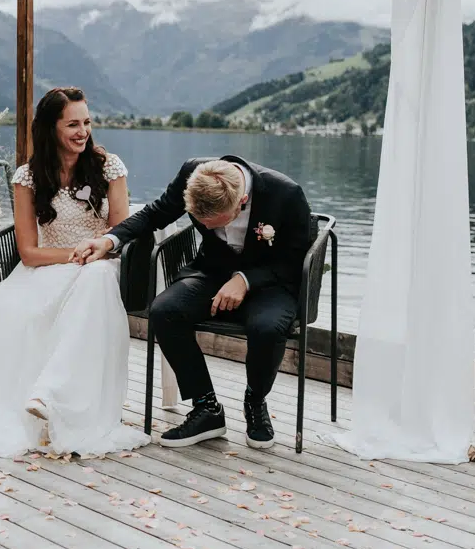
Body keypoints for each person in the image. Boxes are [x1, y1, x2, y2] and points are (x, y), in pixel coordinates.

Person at [0, 87, 150, 459]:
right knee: (7, 308)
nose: (83, 131)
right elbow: (29, 253)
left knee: (96, 280)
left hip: (101, 265)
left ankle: (50, 394)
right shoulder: (28, 177)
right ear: (50, 129)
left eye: (86, 122)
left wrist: (94, 253)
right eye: (72, 124)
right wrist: (75, 255)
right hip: (51, 265)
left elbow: (120, 231)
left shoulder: (108, 167)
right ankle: (31, 401)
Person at [75, 157, 312, 450]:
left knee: (266, 328)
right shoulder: (193, 173)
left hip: (270, 283)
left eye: (213, 223)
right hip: (212, 272)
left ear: (242, 201)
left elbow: (297, 259)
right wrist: (109, 240)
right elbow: (156, 213)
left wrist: (245, 280)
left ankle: (255, 400)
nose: (205, 227)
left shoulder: (285, 194)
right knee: (165, 311)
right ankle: (206, 407)